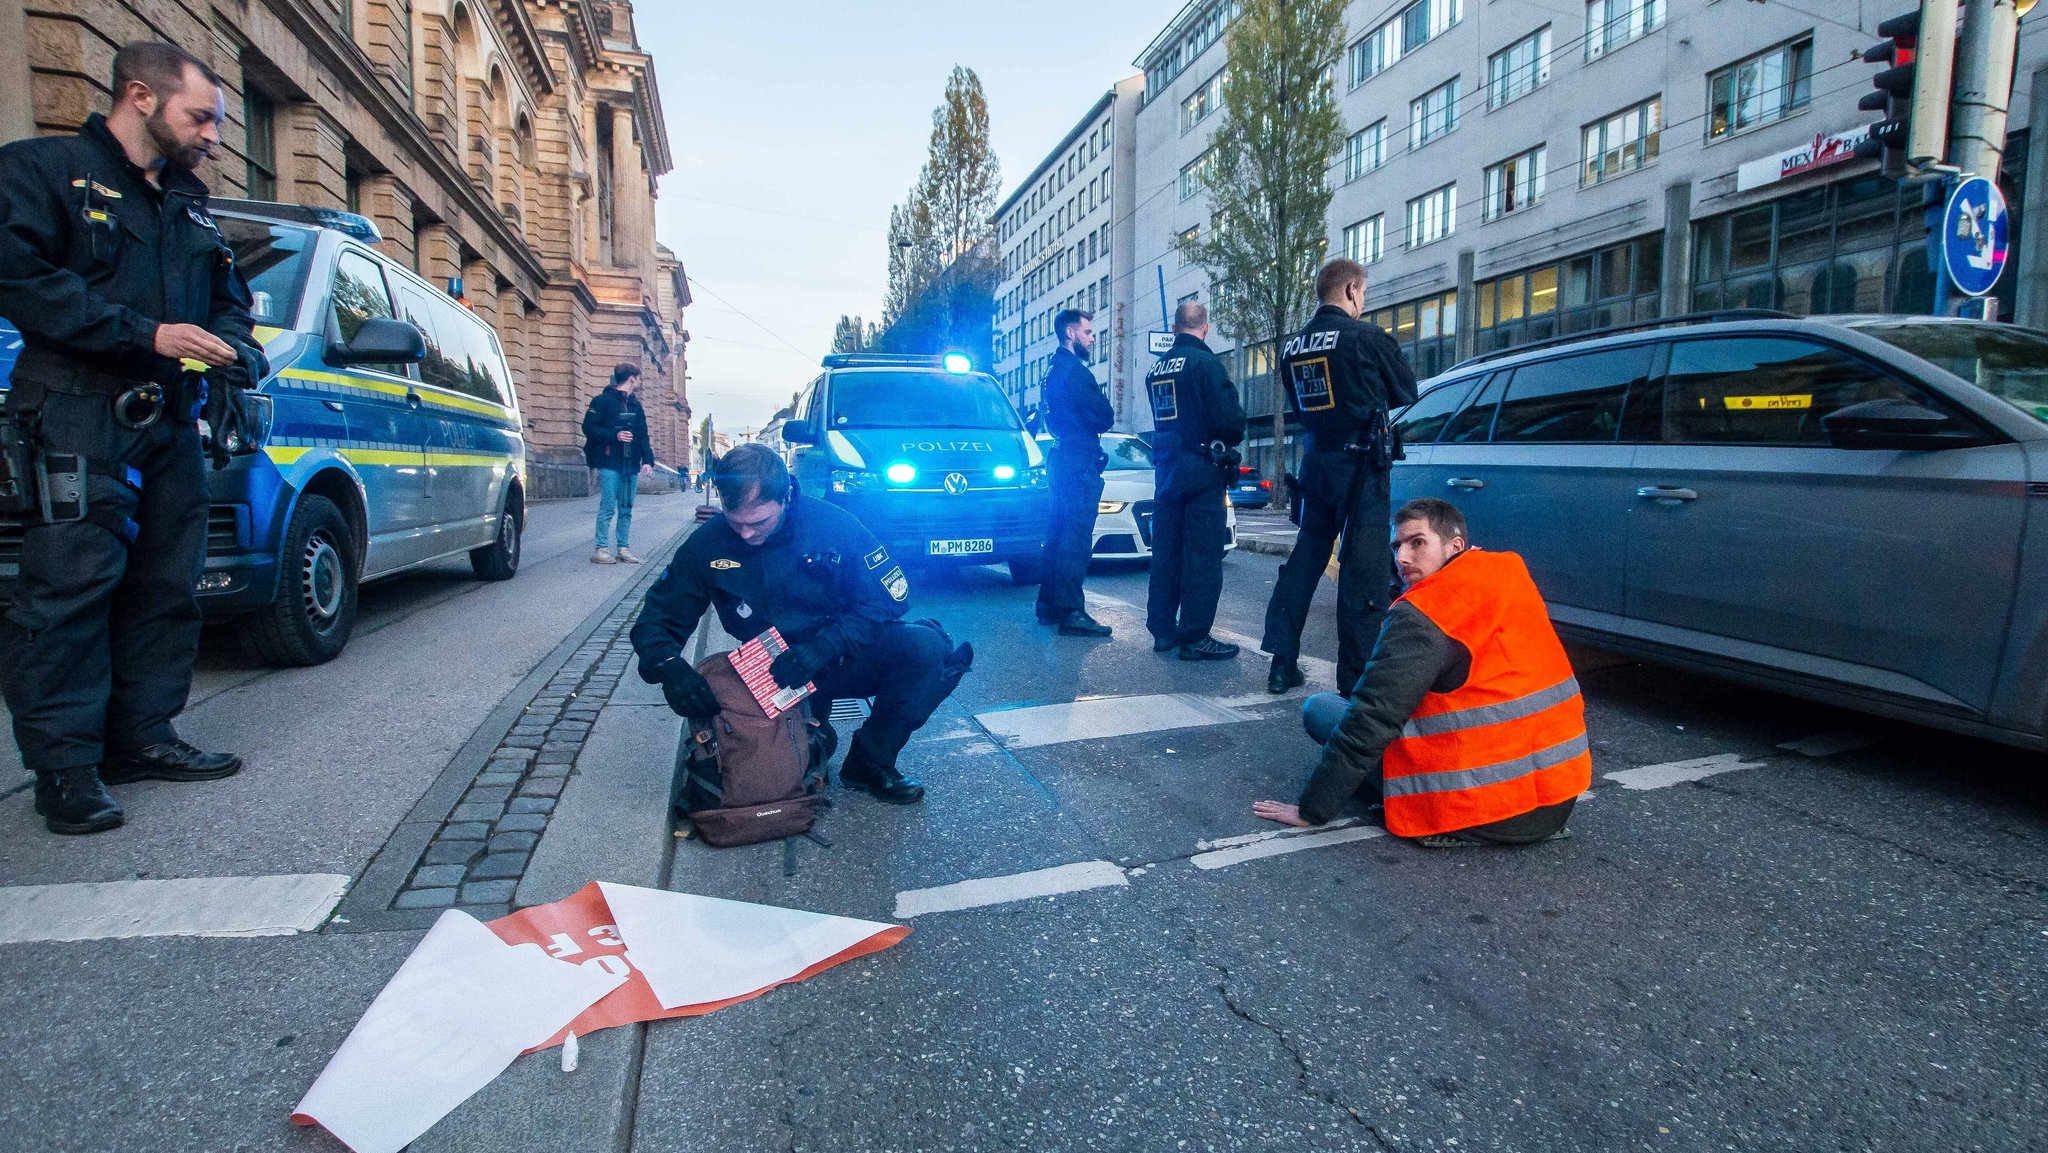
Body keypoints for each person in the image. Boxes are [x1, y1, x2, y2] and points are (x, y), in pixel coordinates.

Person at [0, 41, 265, 835]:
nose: (213, 136)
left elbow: (230, 300)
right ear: (141, 96)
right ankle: (66, 770)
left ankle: (143, 736)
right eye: (201, 118)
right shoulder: (43, 172)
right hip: (77, 410)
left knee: (166, 585)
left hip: (170, 420)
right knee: (69, 591)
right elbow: (23, 281)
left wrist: (228, 346)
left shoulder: (188, 204)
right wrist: (148, 334)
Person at [630, 444, 972, 805]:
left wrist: (824, 647)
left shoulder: (834, 525)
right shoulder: (708, 544)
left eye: (758, 522)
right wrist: (669, 667)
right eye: (736, 523)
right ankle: (813, 739)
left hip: (838, 654)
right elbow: (656, 620)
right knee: (787, 776)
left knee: (927, 647)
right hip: (772, 671)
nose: (745, 534)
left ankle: (871, 762)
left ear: (786, 497)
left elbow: (888, 597)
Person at [1252, 499, 1585, 847]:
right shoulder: (1509, 574)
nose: (1402, 558)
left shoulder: (1424, 613)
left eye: (1417, 542)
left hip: (1487, 810)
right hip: (1555, 801)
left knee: (1320, 709)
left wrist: (1311, 810)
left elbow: (1372, 719)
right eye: (1397, 546)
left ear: (1455, 545)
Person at [1260, 258, 1418, 696]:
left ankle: (1281, 662)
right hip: (1361, 466)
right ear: (1351, 289)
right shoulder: (1366, 338)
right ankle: (1355, 681)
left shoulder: (1293, 348)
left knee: (1306, 559)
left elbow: (1298, 404)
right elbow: (1406, 390)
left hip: (1316, 464)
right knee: (1363, 572)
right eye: (1363, 293)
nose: (1363, 301)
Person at [1143, 300, 1244, 660]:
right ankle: (1195, 636)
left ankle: (1163, 631)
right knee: (1202, 554)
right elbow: (1231, 421)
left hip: (1166, 468)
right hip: (1201, 468)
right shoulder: (1206, 364)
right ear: (1205, 328)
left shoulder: (1156, 370)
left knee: (1167, 551)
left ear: (1174, 328)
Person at [1033, 308, 1114, 637]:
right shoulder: (1076, 373)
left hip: (1061, 457)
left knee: (1058, 532)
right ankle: (1072, 612)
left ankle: (1049, 605)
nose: (1093, 338)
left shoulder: (1051, 370)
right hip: (1079, 459)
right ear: (1070, 333)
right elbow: (1104, 416)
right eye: (1088, 332)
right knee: (1076, 537)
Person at [583, 362, 654, 564]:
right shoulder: (602, 401)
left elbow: (643, 436)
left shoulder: (636, 406)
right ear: (632, 378)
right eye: (638, 378)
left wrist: (647, 461)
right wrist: (615, 435)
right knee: (607, 507)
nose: (640, 382)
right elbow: (588, 428)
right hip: (609, 463)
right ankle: (601, 549)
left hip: (630, 465)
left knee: (626, 508)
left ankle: (623, 548)